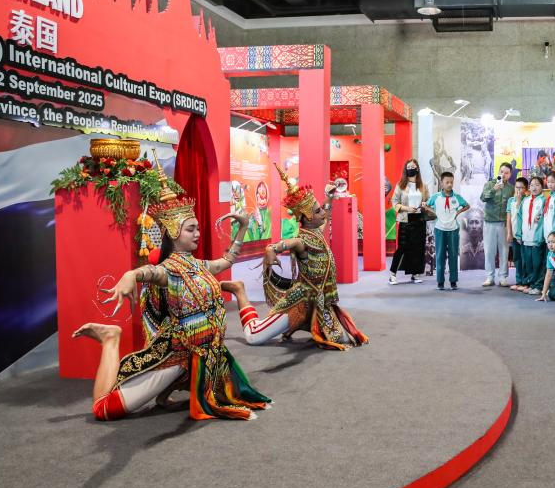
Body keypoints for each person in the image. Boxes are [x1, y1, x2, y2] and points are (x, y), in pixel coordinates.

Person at [75, 158, 270, 421]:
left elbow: (227, 260)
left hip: (205, 352)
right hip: (175, 355)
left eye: (197, 228)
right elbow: (149, 273)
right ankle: (110, 339)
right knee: (105, 410)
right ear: (173, 231)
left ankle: (171, 390)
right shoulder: (168, 271)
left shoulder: (199, 265)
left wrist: (243, 228)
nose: (197, 233)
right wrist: (131, 274)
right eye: (191, 229)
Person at [234, 166, 368, 351]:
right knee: (254, 336)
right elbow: (285, 244)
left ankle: (304, 325)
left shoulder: (317, 232)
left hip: (319, 302)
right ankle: (239, 290)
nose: (323, 213)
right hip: (299, 302)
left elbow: (327, 214)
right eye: (318, 211)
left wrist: (329, 198)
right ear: (307, 217)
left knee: (342, 338)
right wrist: (271, 249)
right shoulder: (302, 241)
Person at [424, 171, 470, 291]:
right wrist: (435, 212)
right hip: (440, 229)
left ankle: (453, 281)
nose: (449, 184)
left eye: (451, 182)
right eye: (447, 182)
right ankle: (440, 282)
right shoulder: (436, 197)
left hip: (453, 230)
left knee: (453, 255)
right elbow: (426, 205)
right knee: (440, 255)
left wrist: (458, 212)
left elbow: (467, 205)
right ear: (442, 183)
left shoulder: (457, 197)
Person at [390, 158, 429, 285]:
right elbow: (394, 203)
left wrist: (425, 204)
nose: (411, 169)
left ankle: (415, 274)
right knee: (402, 248)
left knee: (418, 248)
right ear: (405, 170)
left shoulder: (423, 186)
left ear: (417, 169)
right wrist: (407, 208)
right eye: (409, 167)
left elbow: (428, 201)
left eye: (413, 167)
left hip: (419, 219)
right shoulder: (400, 185)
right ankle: (392, 274)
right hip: (405, 220)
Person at [480, 162, 515, 287]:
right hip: (490, 222)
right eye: (502, 172)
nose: (503, 174)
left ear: (510, 174)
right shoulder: (489, 184)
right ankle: (489, 276)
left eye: (506, 173)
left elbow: (512, 206)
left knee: (504, 251)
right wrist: (494, 189)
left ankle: (503, 277)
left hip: (504, 223)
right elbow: (483, 198)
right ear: (498, 171)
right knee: (489, 251)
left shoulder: (511, 188)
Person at [520, 175, 547, 295]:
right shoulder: (525, 200)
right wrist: (519, 233)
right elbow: (520, 217)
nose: (534, 188)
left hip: (537, 237)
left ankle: (539, 286)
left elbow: (545, 219)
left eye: (537, 185)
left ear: (542, 187)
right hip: (526, 236)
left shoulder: (544, 201)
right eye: (531, 185)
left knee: (538, 263)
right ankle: (531, 284)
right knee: (529, 263)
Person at [507, 177, 529, 291]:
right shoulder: (511, 200)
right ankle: (518, 280)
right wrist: (509, 233)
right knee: (517, 258)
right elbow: (509, 218)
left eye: (521, 188)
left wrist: (520, 200)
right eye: (517, 187)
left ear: (526, 189)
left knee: (525, 259)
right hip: (515, 235)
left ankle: (525, 282)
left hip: (525, 235)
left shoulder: (527, 200)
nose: (518, 190)